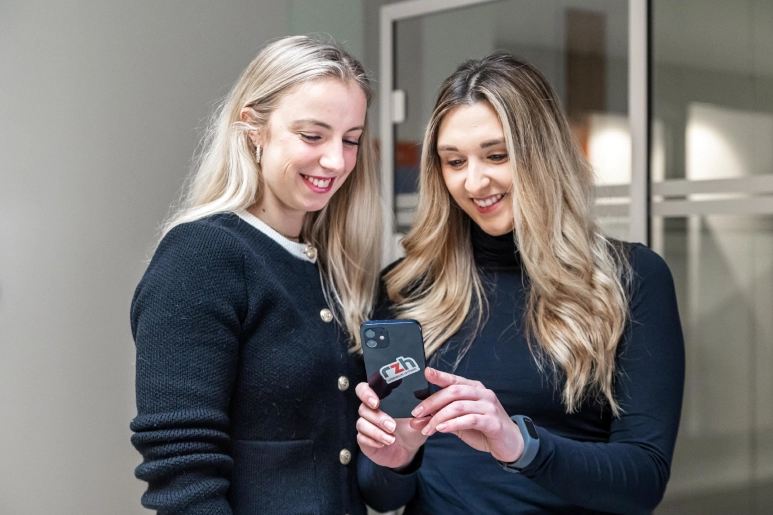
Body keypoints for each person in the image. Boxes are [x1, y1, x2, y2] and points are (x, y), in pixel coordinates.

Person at [355, 53, 685, 514]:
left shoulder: (631, 278)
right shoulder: (405, 287)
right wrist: (396, 459)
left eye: (497, 155)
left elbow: (643, 480)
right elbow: (380, 491)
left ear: (542, 154)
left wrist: (518, 444)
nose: (474, 181)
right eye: (454, 161)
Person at [130, 35, 381, 515]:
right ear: (253, 130)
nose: (336, 160)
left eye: (350, 140)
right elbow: (184, 478)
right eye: (312, 135)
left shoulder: (334, 267)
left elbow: (372, 484)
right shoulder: (201, 255)